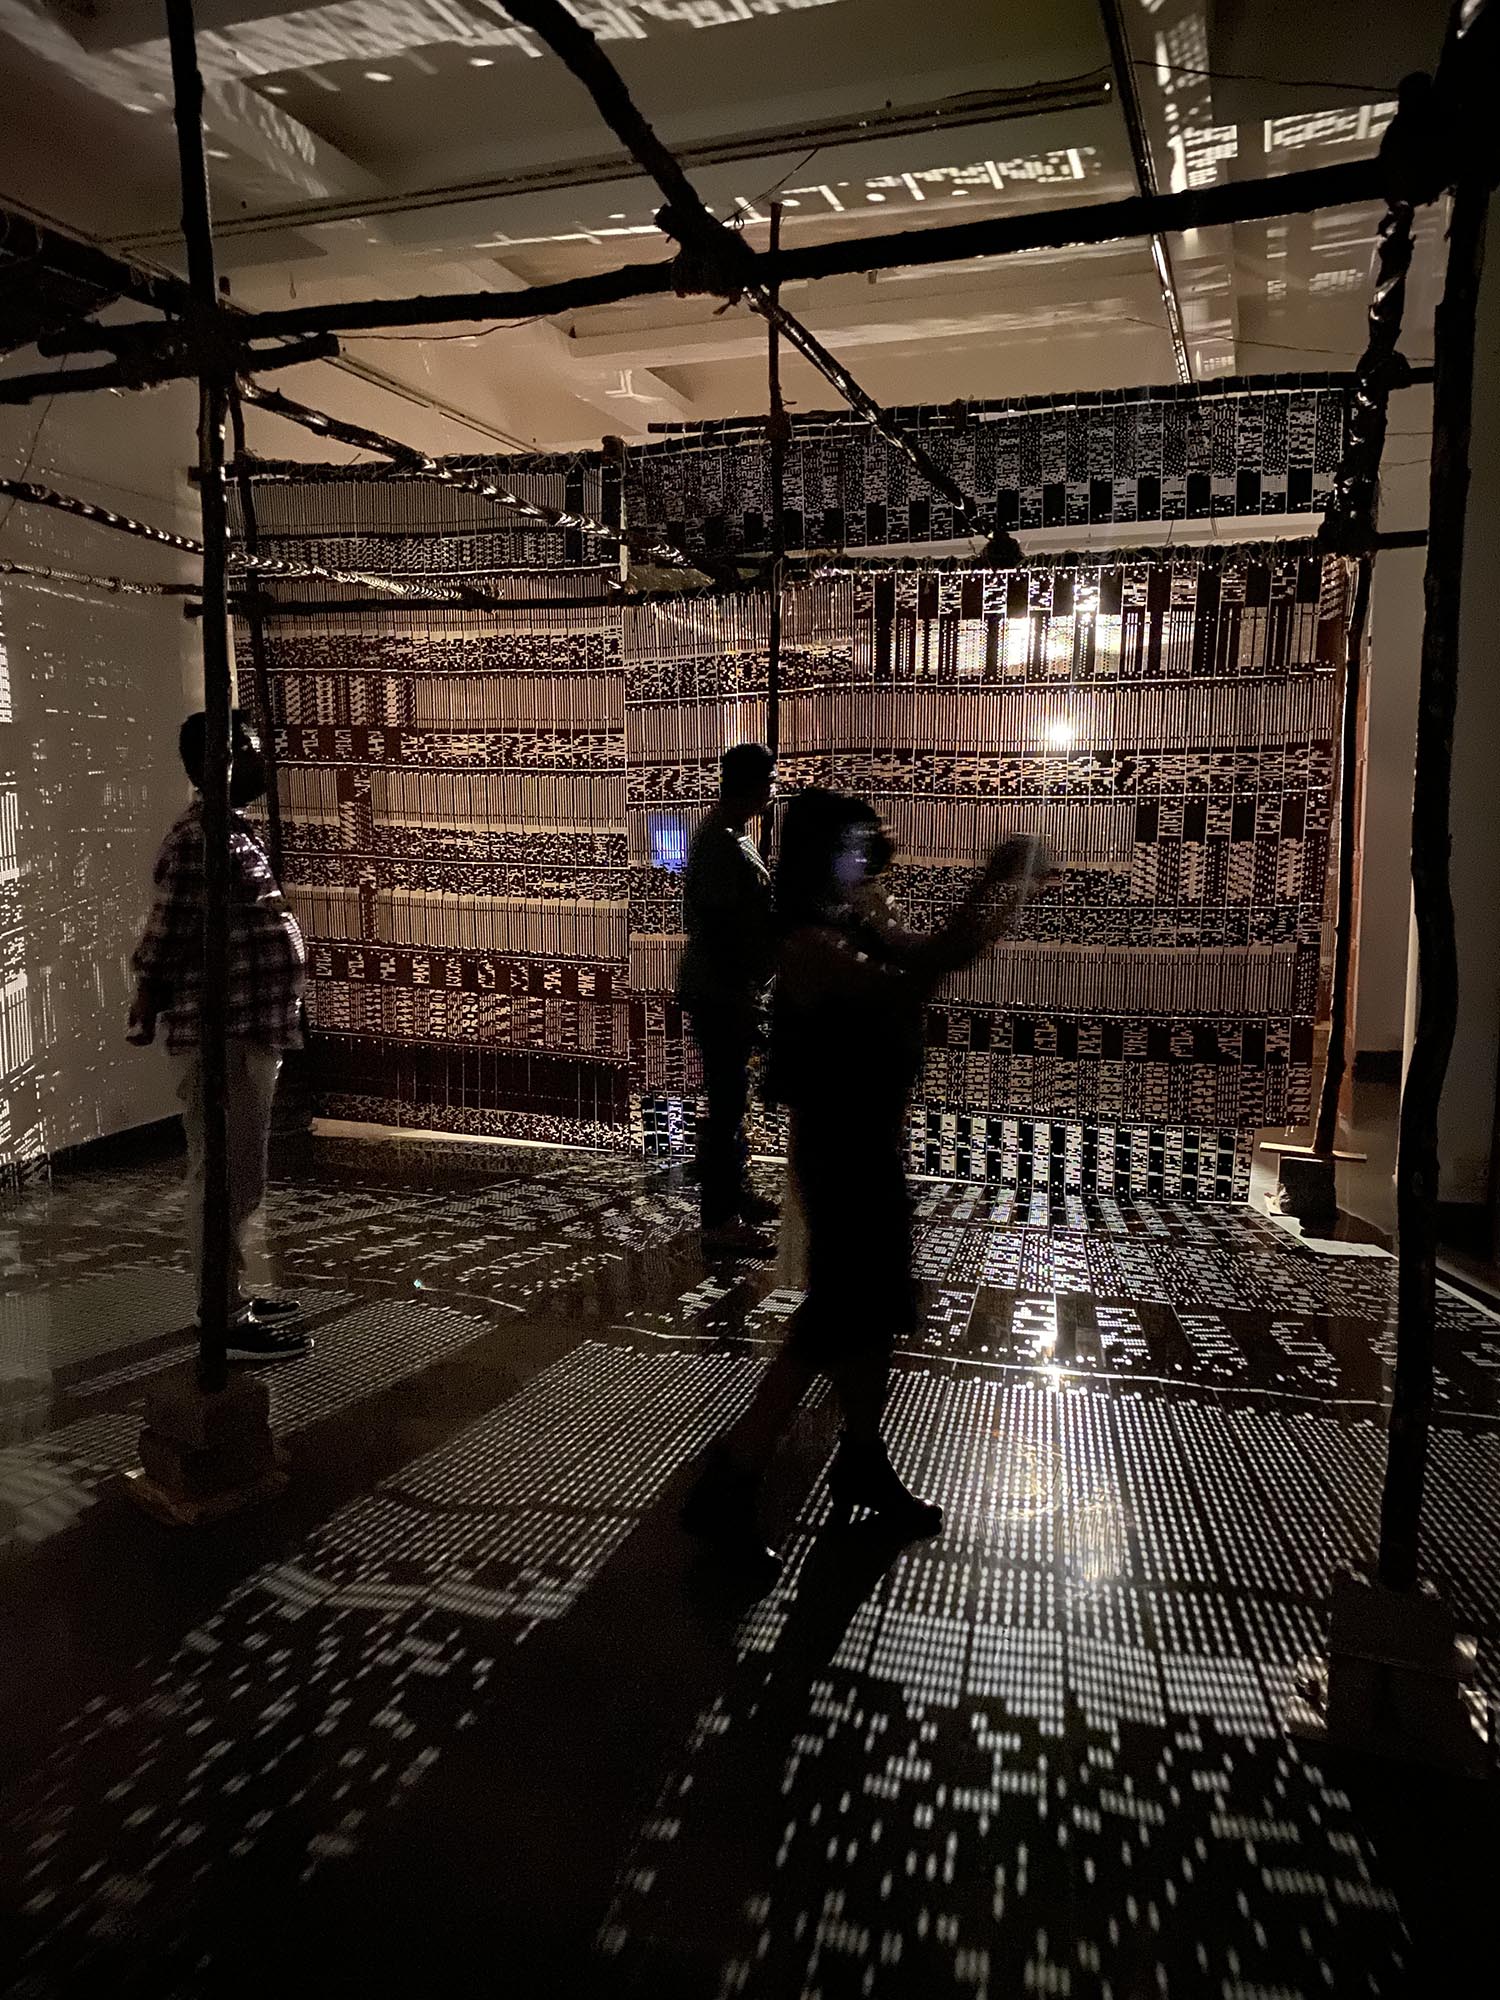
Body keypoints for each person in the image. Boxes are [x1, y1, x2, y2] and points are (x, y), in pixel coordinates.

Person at [683, 789, 1058, 1578]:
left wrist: (1004, 890)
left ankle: (860, 1458)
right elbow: (913, 978)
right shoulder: (809, 943)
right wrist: (994, 884)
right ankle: (732, 1480)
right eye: (856, 846)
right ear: (825, 855)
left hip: (868, 1149)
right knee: (831, 1321)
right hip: (840, 1154)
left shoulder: (850, 926)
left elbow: (937, 954)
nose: (869, 858)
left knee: (871, 1315)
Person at [128, 711, 310, 1361]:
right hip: (221, 1031)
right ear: (216, 762)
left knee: (240, 1175)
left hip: (246, 1026)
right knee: (224, 1175)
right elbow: (167, 931)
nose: (261, 763)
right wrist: (147, 1000)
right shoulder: (198, 840)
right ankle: (222, 1318)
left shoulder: (229, 833)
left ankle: (228, 1295)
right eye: (249, 752)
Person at [677, 741, 778, 1257]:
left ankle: (734, 1196)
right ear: (754, 785)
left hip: (729, 988)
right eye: (769, 781)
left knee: (731, 1099)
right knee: (725, 1102)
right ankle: (719, 1220)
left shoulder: (730, 834)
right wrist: (744, 987)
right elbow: (720, 924)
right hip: (721, 991)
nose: (773, 790)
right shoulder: (720, 840)